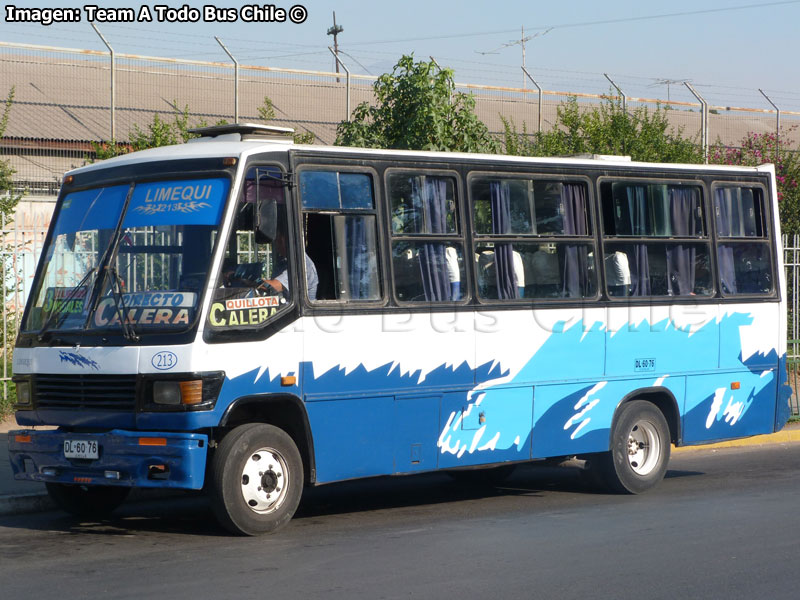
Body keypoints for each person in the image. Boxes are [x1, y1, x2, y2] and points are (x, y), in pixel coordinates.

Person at [256, 229, 319, 301]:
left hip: (299, 310)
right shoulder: (283, 262)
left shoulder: (302, 263)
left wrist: (255, 282)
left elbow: (274, 286)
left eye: (279, 242)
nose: (277, 246)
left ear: (288, 240)